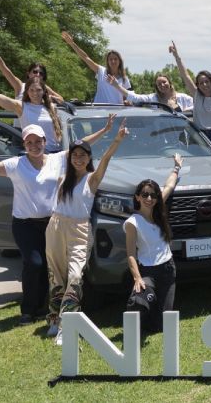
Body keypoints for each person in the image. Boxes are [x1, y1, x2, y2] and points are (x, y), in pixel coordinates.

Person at [0, 119, 117, 326]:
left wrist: (105, 131)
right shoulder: (16, 164)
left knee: (60, 270)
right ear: (24, 145)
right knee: (36, 264)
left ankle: (54, 312)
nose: (34, 145)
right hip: (26, 223)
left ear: (45, 141)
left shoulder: (58, 160)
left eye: (38, 141)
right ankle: (30, 310)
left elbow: (82, 146)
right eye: (29, 142)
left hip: (52, 222)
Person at [46, 118, 128, 345]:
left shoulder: (93, 179)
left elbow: (107, 159)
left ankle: (67, 326)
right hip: (55, 226)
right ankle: (54, 320)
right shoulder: (63, 176)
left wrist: (116, 139)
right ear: (70, 158)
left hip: (80, 229)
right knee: (56, 275)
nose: (78, 158)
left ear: (89, 158)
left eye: (83, 155)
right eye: (75, 155)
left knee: (74, 275)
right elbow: (72, 150)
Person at [124, 154, 183, 333]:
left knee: (162, 325)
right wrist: (137, 278)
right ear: (138, 197)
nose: (150, 198)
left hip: (168, 269)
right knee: (139, 301)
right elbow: (131, 254)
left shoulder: (158, 211)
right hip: (148, 272)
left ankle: (155, 317)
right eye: (145, 195)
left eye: (153, 195)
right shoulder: (133, 222)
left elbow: (170, 185)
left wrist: (177, 167)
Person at [169, 41, 211, 151]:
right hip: (199, 136)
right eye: (201, 83)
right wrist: (176, 56)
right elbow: (185, 75)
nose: (204, 85)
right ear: (198, 85)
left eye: (206, 81)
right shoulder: (197, 95)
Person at [61, 31, 131, 105]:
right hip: (99, 110)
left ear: (119, 61)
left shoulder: (124, 78)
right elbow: (85, 58)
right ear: (107, 61)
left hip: (116, 112)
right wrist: (72, 43)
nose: (113, 61)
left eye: (115, 59)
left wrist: (128, 102)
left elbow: (127, 98)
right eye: (110, 59)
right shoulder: (101, 71)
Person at [0, 76, 63, 152]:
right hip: (35, 154)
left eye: (38, 90)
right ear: (27, 92)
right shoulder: (22, 107)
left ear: (44, 91)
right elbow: (1, 99)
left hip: (56, 152)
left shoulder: (51, 106)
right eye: (31, 90)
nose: (35, 93)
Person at [108, 73, 194, 112]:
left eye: (164, 82)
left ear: (170, 83)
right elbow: (135, 98)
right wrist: (117, 86)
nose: (162, 85)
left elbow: (197, 106)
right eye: (159, 84)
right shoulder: (153, 98)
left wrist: (184, 111)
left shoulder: (183, 97)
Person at [0, 54, 64, 102]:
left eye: (41, 73)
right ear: (29, 73)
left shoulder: (45, 88)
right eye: (35, 72)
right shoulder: (20, 86)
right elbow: (4, 68)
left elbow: (61, 100)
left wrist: (47, 98)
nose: (38, 74)